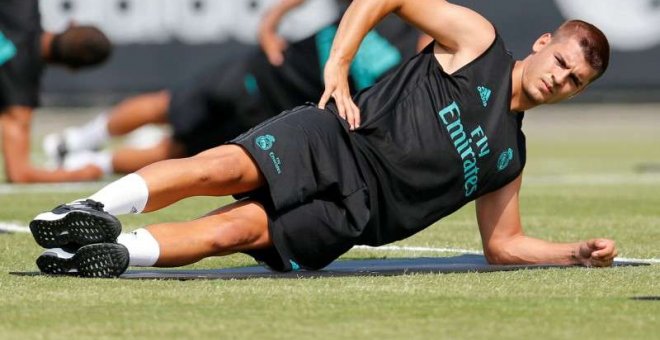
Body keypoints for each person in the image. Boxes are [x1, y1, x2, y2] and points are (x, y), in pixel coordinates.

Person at [29, 0, 617, 278]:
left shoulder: (510, 156)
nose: (558, 79)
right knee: (219, 169)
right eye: (560, 61)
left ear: (578, 90)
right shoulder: (482, 45)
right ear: (543, 43)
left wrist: (573, 253)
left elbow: (503, 245)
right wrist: (339, 65)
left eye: (574, 80)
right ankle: (91, 209)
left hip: (355, 215)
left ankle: (102, 255)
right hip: (337, 138)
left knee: (232, 232)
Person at [42, 0, 426, 176]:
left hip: (272, 112)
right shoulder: (384, 9)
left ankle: (88, 164)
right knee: (167, 104)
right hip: (256, 73)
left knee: (176, 151)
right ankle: (76, 140)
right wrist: (271, 21)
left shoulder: (413, 70)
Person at [0, 0, 112, 183]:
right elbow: (18, 173)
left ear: (70, 24)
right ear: (73, 69)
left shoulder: (21, 5)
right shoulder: (20, 98)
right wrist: (82, 173)